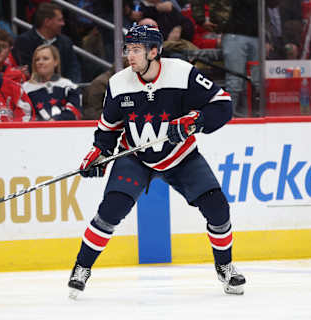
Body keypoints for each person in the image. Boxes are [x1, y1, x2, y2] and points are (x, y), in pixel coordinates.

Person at [67, 25, 245, 299]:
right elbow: (108, 129)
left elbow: (223, 105)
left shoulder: (181, 73)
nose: (130, 56)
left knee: (218, 208)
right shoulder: (118, 83)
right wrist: (99, 152)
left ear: (154, 51)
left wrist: (195, 122)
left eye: (137, 50)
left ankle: (225, 266)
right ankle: (81, 267)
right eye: (128, 49)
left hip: (180, 156)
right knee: (110, 211)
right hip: (135, 157)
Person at [12, 2, 81, 83]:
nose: (63, 24)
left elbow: (73, 69)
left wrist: (69, 87)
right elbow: (27, 70)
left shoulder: (66, 42)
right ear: (47, 22)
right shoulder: (24, 41)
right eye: (60, 20)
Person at [22, 44, 81, 121]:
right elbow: (23, 117)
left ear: (56, 62)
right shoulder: (25, 89)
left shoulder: (69, 86)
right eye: (37, 59)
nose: (40, 62)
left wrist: (54, 121)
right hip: (36, 131)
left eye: (45, 59)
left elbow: (74, 112)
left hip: (65, 131)